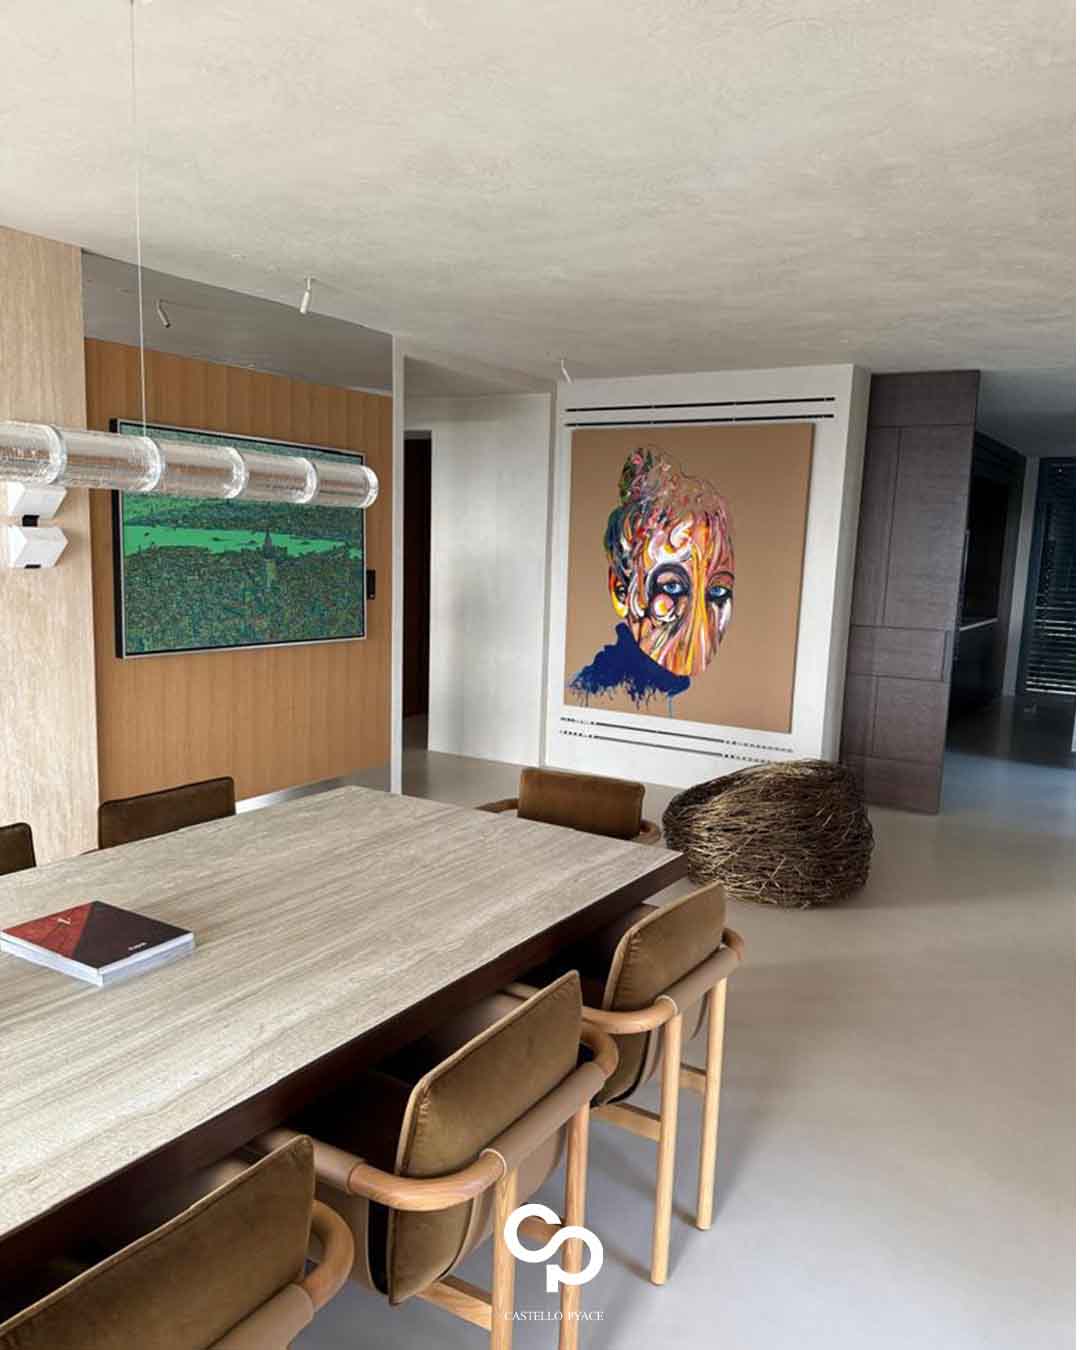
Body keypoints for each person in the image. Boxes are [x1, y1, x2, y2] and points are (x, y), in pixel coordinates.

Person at [570, 447, 734, 712]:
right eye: (672, 587)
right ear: (621, 592)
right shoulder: (594, 695)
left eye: (717, 592)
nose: (700, 626)